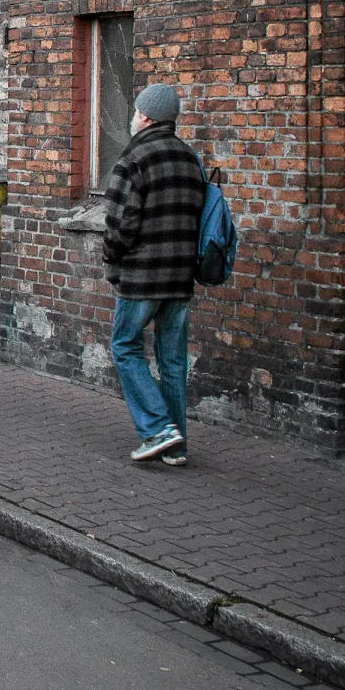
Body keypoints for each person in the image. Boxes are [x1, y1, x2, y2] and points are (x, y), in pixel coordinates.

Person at [103, 82, 208, 467]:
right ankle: (176, 446)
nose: (132, 117)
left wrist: (112, 260)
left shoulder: (134, 158)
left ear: (145, 116)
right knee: (173, 361)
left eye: (135, 111)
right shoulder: (189, 158)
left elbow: (119, 225)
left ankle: (158, 428)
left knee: (125, 347)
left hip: (143, 276)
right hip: (181, 278)